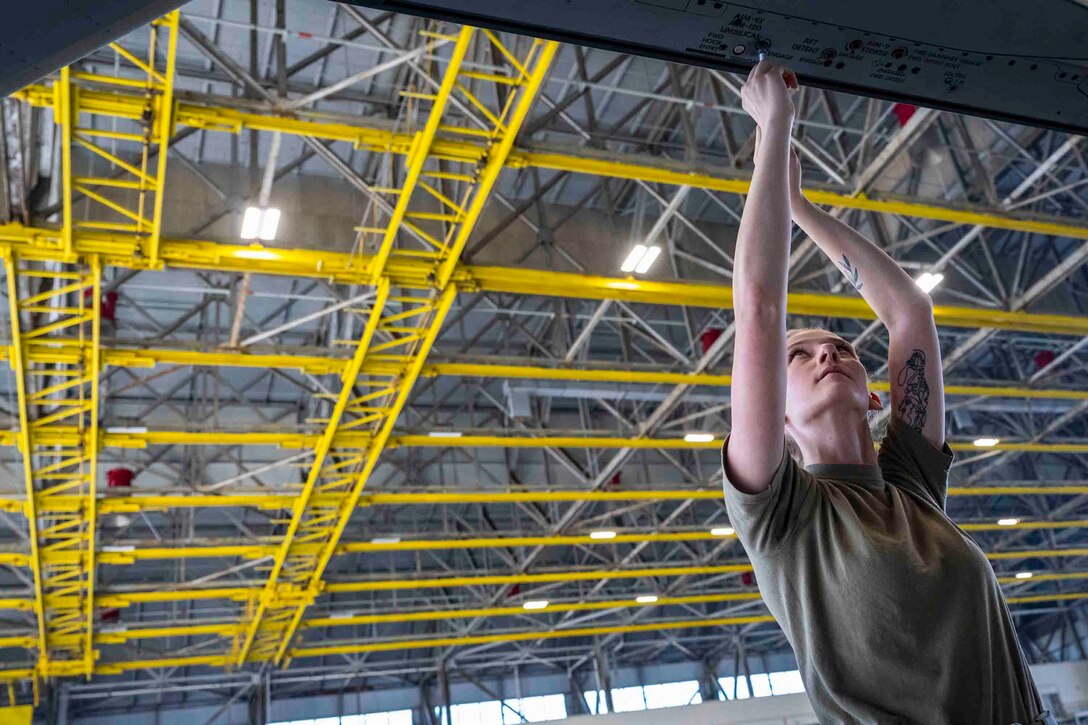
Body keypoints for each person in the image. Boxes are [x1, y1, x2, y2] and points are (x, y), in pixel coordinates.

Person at [721, 60, 1051, 724]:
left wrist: (804, 208)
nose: (828, 351)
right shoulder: (782, 512)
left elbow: (908, 315)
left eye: (841, 346)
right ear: (772, 413)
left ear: (876, 397)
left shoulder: (912, 482)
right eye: (800, 353)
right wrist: (775, 128)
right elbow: (757, 308)